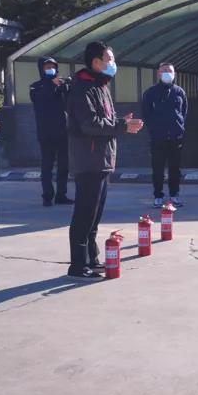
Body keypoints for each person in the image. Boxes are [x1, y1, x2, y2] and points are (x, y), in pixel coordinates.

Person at [67, 42, 144, 280]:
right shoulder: (83, 88)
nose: (113, 63)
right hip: (89, 160)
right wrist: (122, 126)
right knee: (84, 214)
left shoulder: (100, 85)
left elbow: (104, 119)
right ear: (96, 62)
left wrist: (121, 121)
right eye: (109, 59)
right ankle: (78, 265)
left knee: (94, 216)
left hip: (101, 159)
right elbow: (90, 124)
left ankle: (92, 259)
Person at [142, 63, 188, 208]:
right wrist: (154, 129)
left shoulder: (179, 92)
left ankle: (174, 195)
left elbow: (184, 112)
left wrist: (179, 127)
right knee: (158, 168)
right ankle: (158, 196)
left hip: (175, 137)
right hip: (158, 138)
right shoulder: (150, 93)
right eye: (164, 71)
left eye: (169, 71)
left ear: (174, 74)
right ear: (158, 74)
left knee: (175, 168)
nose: (167, 73)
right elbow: (146, 113)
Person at [29, 57, 73, 207]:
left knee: (64, 165)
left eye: (52, 67)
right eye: (47, 67)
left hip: (62, 131)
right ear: (41, 69)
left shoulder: (60, 85)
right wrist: (52, 85)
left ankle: (61, 195)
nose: (50, 69)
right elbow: (40, 99)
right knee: (47, 165)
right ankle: (47, 195)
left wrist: (67, 87)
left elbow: (69, 103)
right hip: (46, 132)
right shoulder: (36, 87)